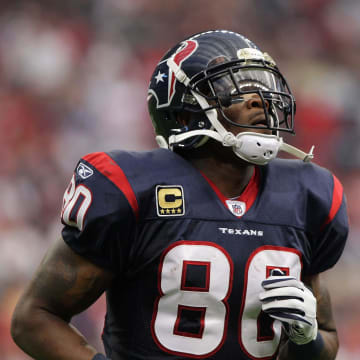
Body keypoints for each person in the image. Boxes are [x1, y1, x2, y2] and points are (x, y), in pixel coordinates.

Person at [11, 30, 348, 360]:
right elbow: (35, 317)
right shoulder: (132, 187)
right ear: (185, 113)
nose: (259, 100)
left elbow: (325, 339)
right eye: (235, 90)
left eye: (263, 87)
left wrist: (308, 339)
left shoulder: (308, 196)